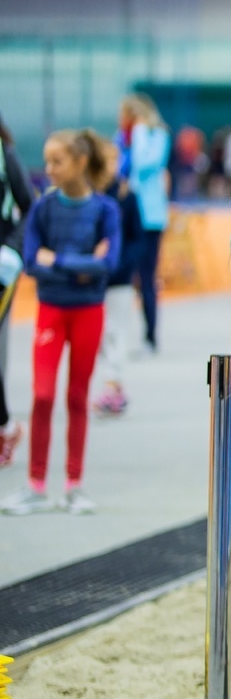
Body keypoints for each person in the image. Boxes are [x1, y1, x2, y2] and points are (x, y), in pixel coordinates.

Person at [2, 129, 121, 517]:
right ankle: (36, 484)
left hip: (88, 311)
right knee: (42, 395)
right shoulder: (43, 208)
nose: (48, 169)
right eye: (48, 161)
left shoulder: (105, 210)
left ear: (81, 163)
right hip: (52, 310)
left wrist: (61, 261)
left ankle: (74, 484)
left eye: (57, 162)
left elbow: (108, 264)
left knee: (76, 397)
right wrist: (80, 264)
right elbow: (33, 261)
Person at [92, 138, 146, 418]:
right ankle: (111, 383)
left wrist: (122, 265)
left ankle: (113, 385)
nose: (110, 167)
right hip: (93, 278)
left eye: (114, 161)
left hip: (120, 278)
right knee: (99, 336)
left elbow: (138, 239)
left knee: (115, 331)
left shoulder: (127, 196)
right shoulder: (90, 197)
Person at [119, 93, 170, 354]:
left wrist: (137, 134)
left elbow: (143, 165)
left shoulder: (151, 135)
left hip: (147, 217)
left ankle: (150, 336)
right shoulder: (131, 139)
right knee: (133, 278)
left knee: (146, 278)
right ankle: (126, 337)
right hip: (137, 215)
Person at [0, 111, 35, 466]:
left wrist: (11, 250)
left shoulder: (5, 155)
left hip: (1, 269)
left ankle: (6, 427)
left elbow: (29, 207)